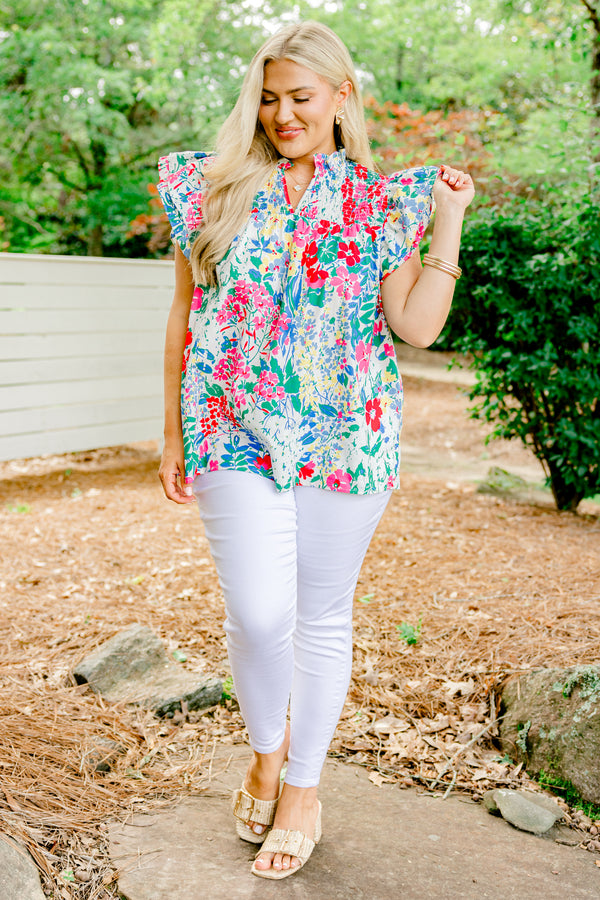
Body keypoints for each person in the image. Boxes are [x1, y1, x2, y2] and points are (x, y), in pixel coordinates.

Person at [157, 20, 474, 880]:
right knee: (260, 614)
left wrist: (447, 222)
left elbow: (415, 325)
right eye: (268, 98)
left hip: (347, 432)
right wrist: (171, 429)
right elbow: (186, 313)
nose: (282, 114)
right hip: (229, 426)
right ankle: (267, 753)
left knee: (322, 616)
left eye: (300, 97)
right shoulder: (212, 189)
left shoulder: (379, 202)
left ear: (341, 98)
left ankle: (301, 790)